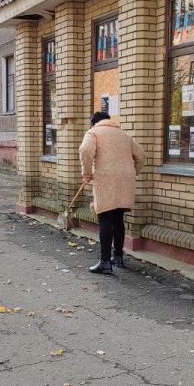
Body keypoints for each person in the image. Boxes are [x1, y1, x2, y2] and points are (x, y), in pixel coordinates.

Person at [79, 111, 145, 274]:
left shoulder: (93, 132)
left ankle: (105, 261)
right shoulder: (124, 135)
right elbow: (141, 155)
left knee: (105, 218)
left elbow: (85, 150)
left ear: (94, 123)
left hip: (106, 179)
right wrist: (134, 172)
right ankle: (118, 257)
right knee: (118, 218)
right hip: (125, 180)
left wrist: (86, 174)